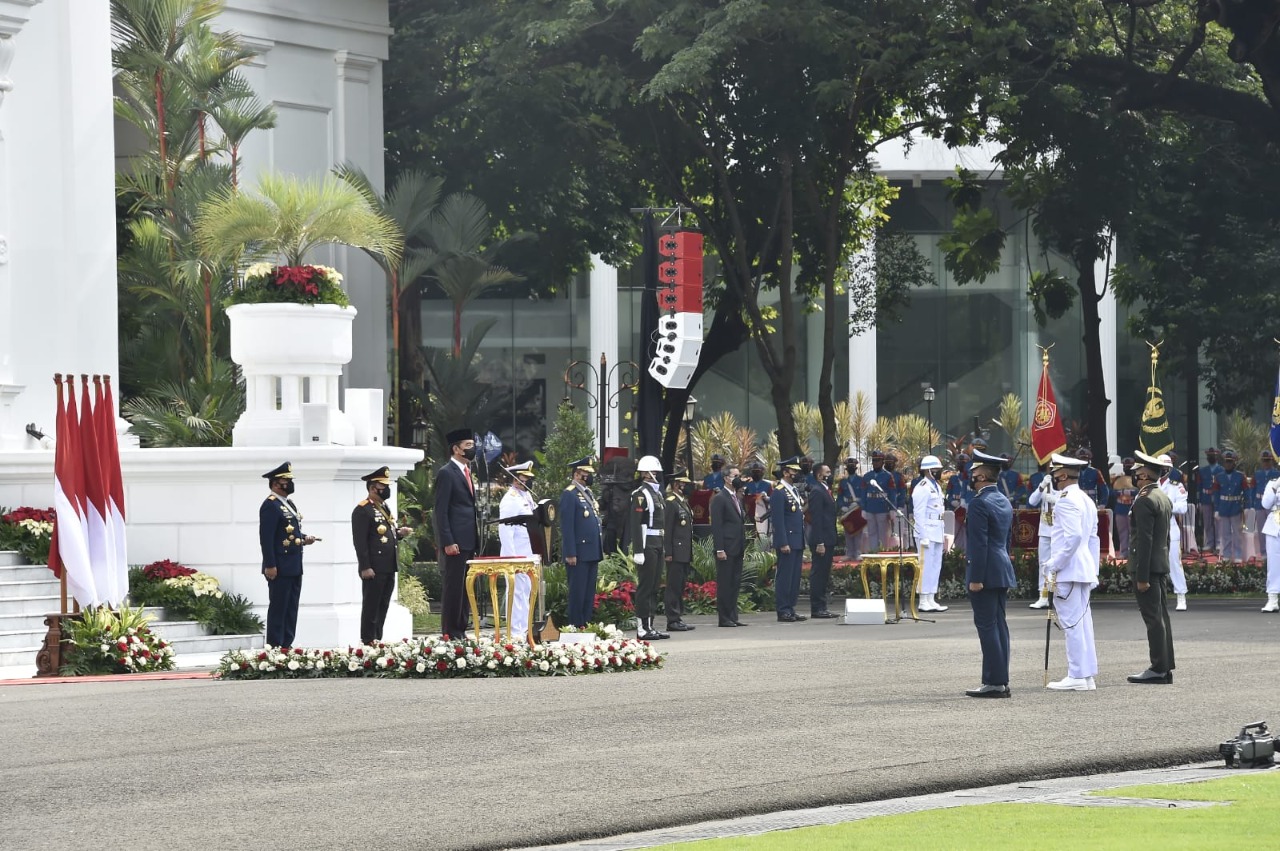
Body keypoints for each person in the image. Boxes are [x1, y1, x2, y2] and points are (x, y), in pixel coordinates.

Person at [1043, 454, 1100, 692]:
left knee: (1071, 624)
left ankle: (1077, 674)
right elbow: (1093, 539)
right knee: (1082, 623)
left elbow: (1074, 537)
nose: (1055, 479)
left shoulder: (1066, 500)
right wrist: (1093, 569)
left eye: (1056, 474)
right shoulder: (1085, 499)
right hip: (1082, 568)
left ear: (1063, 475)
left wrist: (1054, 564)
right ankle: (1086, 675)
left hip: (1068, 569)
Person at [963, 450, 1016, 698]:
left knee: (987, 626)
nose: (971, 477)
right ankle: (1000, 679)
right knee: (999, 626)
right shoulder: (1003, 500)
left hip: (985, 572)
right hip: (1001, 568)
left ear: (982, 476)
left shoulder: (978, 503)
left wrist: (975, 577)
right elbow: (1005, 541)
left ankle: (994, 682)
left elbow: (979, 544)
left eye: (974, 473)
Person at [1127, 451, 1175, 684]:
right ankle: (1165, 666)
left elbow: (1144, 541)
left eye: (1137, 472)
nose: (1135, 475)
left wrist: (1142, 576)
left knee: (1153, 619)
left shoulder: (1145, 499)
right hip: (1159, 564)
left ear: (1145, 474)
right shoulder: (1161, 496)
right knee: (1161, 617)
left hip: (1147, 568)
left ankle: (1158, 667)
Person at [352, 466, 412, 646]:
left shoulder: (383, 507)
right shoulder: (363, 510)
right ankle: (368, 638)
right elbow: (360, 542)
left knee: (383, 604)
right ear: (372, 488)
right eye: (382, 486)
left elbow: (385, 534)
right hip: (374, 567)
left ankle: (377, 637)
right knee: (371, 604)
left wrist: (399, 533)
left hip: (388, 564)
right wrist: (365, 566)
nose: (386, 489)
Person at [258, 462, 316, 647]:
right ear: (275, 484)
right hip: (279, 566)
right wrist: (270, 565)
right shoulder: (270, 505)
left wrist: (304, 537)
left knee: (291, 608)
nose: (290, 484)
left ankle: (286, 644)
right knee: (279, 607)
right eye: (286, 481)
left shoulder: (288, 503)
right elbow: (266, 538)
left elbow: (289, 533)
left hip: (294, 564)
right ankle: (275, 645)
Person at [434, 427, 479, 639]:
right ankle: (450, 631)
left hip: (469, 540)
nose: (472, 449)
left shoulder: (467, 472)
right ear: (456, 449)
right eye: (468, 445)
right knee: (453, 587)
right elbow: (440, 511)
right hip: (455, 542)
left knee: (465, 587)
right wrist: (447, 541)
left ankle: (461, 628)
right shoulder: (446, 473)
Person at [627, 455, 669, 640]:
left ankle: (650, 625)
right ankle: (642, 628)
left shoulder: (657, 494)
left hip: (658, 543)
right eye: (655, 472)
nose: (658, 475)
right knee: (645, 587)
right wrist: (638, 550)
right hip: (647, 544)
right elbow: (636, 524)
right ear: (646, 473)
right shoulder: (640, 494)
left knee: (654, 586)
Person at [560, 457, 603, 628]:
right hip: (578, 552)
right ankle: (575, 624)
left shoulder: (588, 493)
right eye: (586, 474)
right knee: (577, 591)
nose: (589, 477)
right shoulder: (570, 494)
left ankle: (585, 623)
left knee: (588, 592)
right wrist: (570, 552)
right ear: (577, 474)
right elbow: (567, 526)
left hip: (592, 551)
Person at [497, 461, 539, 637]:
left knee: (526, 590)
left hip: (528, 551)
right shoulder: (510, 499)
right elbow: (505, 530)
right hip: (516, 552)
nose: (528, 481)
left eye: (529, 478)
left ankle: (524, 628)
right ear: (516, 479)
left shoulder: (526, 497)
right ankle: (515, 632)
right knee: (516, 591)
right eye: (525, 478)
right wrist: (511, 556)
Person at [770, 456, 807, 622]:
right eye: (794, 471)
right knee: (785, 576)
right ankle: (783, 609)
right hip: (787, 541)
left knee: (794, 577)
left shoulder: (794, 490)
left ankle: (791, 607)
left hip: (797, 540)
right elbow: (778, 520)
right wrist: (783, 542)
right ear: (785, 472)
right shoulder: (778, 492)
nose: (797, 473)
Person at [910, 455, 949, 613]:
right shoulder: (922, 487)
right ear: (928, 470)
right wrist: (922, 534)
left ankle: (931, 598)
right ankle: (923, 600)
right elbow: (918, 513)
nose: (939, 472)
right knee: (925, 566)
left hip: (937, 529)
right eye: (936, 470)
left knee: (935, 566)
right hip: (926, 530)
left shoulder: (936, 486)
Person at [710, 475, 748, 627]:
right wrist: (720, 548)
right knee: (725, 583)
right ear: (726, 478)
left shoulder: (736, 497)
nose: (738, 478)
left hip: (737, 547)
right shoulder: (720, 498)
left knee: (734, 582)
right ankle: (724, 617)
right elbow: (717, 525)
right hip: (726, 548)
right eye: (734, 475)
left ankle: (733, 616)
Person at [663, 471, 696, 632]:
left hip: (683, 552)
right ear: (676, 484)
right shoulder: (671, 502)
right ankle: (672, 619)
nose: (687, 486)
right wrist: (668, 552)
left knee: (680, 585)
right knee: (673, 586)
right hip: (675, 552)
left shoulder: (682, 502)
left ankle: (678, 617)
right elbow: (667, 529)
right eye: (684, 483)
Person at [1156, 453, 1190, 611]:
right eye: (1161, 467)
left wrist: (1165, 505)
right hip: (1153, 528)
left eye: (1166, 467)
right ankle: (1156, 597)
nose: (1163, 470)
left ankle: (1181, 595)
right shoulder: (1151, 484)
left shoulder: (1177, 486)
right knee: (1154, 564)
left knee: (1175, 564)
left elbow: (1183, 508)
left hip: (1170, 527)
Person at [806, 464, 839, 618]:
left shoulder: (825, 490)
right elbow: (817, 518)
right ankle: (817, 607)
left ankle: (822, 606)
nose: (830, 474)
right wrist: (819, 542)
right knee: (819, 574)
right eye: (827, 472)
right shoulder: (817, 491)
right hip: (822, 540)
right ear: (819, 476)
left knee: (824, 574)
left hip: (828, 538)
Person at [1026, 461, 1057, 609]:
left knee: (1058, 564)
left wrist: (1056, 500)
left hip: (1059, 531)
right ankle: (1043, 596)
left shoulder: (1065, 487)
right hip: (1045, 530)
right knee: (1043, 564)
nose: (1051, 471)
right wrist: (1041, 486)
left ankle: (1057, 596)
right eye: (1050, 469)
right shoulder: (1045, 484)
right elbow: (1032, 501)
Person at [1214, 449, 1247, 563]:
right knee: (1225, 534)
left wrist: (1247, 507)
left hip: (1235, 507)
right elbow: (1216, 494)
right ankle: (1227, 556)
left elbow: (1246, 492)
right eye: (1226, 462)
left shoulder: (1240, 476)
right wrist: (1216, 509)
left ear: (1234, 463)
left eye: (1230, 462)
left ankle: (1238, 555)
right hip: (1223, 508)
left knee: (1237, 534)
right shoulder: (1219, 477)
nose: (1228, 464)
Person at [863, 451, 894, 552]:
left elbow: (892, 493)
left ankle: (883, 553)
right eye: (874, 460)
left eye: (878, 461)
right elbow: (863, 493)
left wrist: (892, 509)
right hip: (870, 507)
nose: (875, 463)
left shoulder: (888, 476)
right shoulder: (867, 476)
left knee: (883, 533)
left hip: (882, 508)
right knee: (871, 533)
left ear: (882, 462)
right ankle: (873, 553)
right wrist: (863, 508)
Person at [1196, 447, 1223, 553]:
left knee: (1218, 522)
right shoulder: (1202, 470)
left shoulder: (1221, 470)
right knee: (1207, 522)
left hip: (1218, 499)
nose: (1211, 458)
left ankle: (1219, 543)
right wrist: (1199, 501)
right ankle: (1209, 543)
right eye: (1209, 456)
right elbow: (1199, 486)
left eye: (1213, 456)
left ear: (1217, 457)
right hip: (1205, 498)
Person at [837, 458, 864, 560]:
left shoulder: (861, 481)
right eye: (849, 466)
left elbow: (864, 495)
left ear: (856, 467)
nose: (851, 468)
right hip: (847, 509)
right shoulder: (843, 482)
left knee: (858, 531)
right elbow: (839, 496)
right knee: (847, 531)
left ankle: (857, 552)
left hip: (857, 508)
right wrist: (842, 505)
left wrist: (858, 504)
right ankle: (849, 553)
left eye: (852, 466)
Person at [1254, 450, 1279, 557]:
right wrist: (1251, 505)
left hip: (1273, 506)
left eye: (1268, 461)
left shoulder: (1277, 474)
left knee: (1273, 529)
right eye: (1264, 461)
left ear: (1271, 461)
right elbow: (1253, 490)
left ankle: (1273, 552)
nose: (1266, 463)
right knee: (1261, 530)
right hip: (1259, 504)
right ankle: (1263, 552)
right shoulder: (1257, 474)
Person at [946, 454, 973, 553]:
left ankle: (967, 551)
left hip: (968, 507)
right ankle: (958, 551)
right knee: (957, 532)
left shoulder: (970, 476)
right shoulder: (953, 478)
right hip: (956, 510)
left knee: (968, 531)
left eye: (963, 462)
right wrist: (952, 501)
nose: (961, 464)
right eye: (959, 462)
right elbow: (948, 494)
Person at [1261, 473, 1280, 612]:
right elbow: (1265, 504)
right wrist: (1275, 486)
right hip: (1274, 525)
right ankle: (1272, 599)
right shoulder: (1272, 483)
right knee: (1273, 564)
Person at [1112, 457, 1137, 559]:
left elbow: (1139, 491)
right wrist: (1123, 492)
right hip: (1121, 507)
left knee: (1133, 531)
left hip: (1133, 507)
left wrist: (1126, 492)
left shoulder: (1137, 479)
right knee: (1122, 532)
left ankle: (1133, 552)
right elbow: (1112, 492)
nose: (1127, 468)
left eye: (1129, 466)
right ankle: (1124, 552)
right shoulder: (1118, 479)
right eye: (1126, 466)